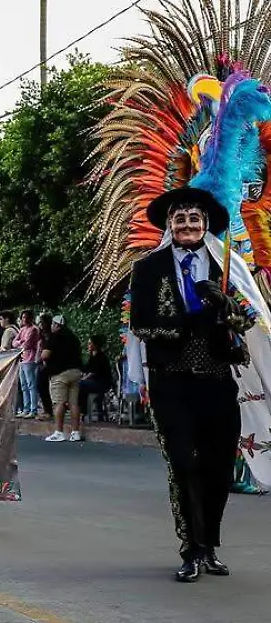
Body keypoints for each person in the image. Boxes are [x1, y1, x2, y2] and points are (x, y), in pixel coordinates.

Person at [130, 187, 255, 582]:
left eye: (194, 219)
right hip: (171, 382)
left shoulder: (229, 265)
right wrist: (185, 324)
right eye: (180, 219)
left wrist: (226, 308)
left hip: (218, 382)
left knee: (219, 469)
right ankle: (190, 549)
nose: (187, 224)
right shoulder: (148, 268)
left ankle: (210, 547)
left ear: (205, 225)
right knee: (184, 465)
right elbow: (140, 324)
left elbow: (251, 319)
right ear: (170, 225)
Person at [44, 315, 85, 443]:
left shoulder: (54, 337)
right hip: (75, 372)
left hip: (60, 374)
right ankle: (75, 432)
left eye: (52, 324)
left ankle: (58, 432)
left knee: (59, 403)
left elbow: (45, 355)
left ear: (56, 325)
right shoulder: (74, 338)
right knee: (74, 403)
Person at [80, 335, 113, 423]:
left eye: (90, 343)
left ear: (96, 345)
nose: (88, 345)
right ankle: (83, 410)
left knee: (81, 385)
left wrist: (84, 379)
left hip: (102, 383)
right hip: (94, 382)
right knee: (80, 385)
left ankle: (83, 411)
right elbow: (87, 368)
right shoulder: (92, 356)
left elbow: (93, 373)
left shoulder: (101, 357)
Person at [14, 310, 40, 418]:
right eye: (23, 317)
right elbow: (14, 342)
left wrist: (21, 343)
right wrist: (21, 342)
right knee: (24, 386)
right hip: (22, 359)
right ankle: (26, 408)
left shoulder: (34, 329)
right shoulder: (22, 329)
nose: (24, 319)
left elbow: (27, 344)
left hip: (30, 359)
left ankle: (33, 409)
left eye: (26, 317)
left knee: (31, 385)